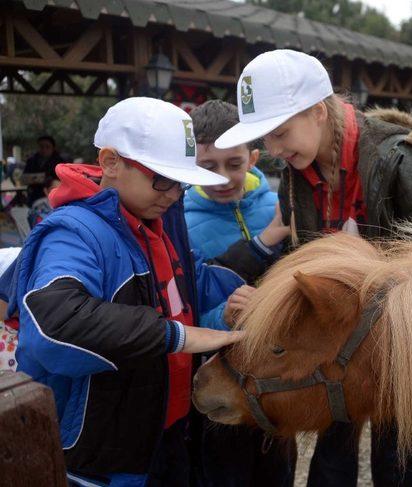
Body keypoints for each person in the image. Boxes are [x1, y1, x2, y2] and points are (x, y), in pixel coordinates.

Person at [215, 49, 412, 487]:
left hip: (397, 337)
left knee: (401, 458)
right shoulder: (297, 167)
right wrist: (267, 298)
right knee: (330, 455)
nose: (272, 150)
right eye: (265, 138)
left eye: (280, 133)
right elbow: (303, 255)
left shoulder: (396, 158)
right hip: (335, 332)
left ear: (317, 112)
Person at [10, 97, 245, 487]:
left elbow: (193, 280)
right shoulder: (73, 232)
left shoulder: (156, 216)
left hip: (165, 433)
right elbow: (52, 327)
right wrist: (175, 336)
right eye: (161, 178)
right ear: (110, 162)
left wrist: (260, 295)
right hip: (101, 457)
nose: (172, 193)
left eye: (181, 182)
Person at [184, 99, 295, 487]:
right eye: (207, 167)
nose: (222, 177)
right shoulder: (180, 221)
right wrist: (224, 317)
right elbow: (186, 312)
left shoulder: (279, 204)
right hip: (220, 377)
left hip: (280, 372)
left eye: (233, 164)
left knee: (278, 471)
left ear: (253, 157)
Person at [23, 135, 63, 205]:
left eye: (47, 147)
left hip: (53, 196)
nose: (44, 149)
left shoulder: (60, 162)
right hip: (33, 195)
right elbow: (24, 177)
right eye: (41, 146)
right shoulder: (31, 161)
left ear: (53, 148)